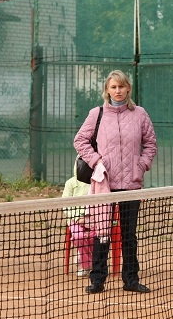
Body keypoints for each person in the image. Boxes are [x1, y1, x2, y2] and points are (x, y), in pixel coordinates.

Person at [74, 70, 157, 294]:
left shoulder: (140, 114)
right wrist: (96, 160)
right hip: (105, 184)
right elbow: (80, 141)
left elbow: (150, 144)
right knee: (102, 232)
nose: (117, 91)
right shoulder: (96, 114)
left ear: (128, 89)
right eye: (113, 87)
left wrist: (141, 165)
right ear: (107, 90)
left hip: (131, 184)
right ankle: (97, 280)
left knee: (129, 234)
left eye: (121, 87)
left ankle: (131, 280)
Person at [62, 165, 94, 277]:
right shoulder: (70, 183)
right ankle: (87, 265)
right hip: (74, 220)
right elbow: (65, 206)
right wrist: (77, 218)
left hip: (93, 218)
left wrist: (89, 218)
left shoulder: (96, 182)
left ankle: (83, 254)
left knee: (95, 236)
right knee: (79, 237)